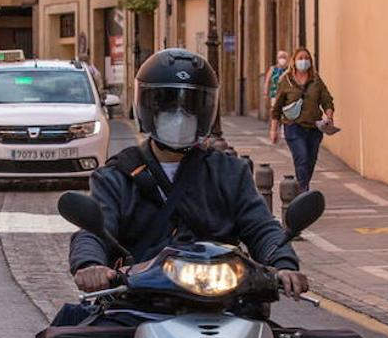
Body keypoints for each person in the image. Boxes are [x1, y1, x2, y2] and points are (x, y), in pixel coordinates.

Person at [70, 48, 309, 300]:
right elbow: (94, 231)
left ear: (205, 112)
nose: (180, 115)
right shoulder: (116, 176)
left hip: (224, 303)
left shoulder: (229, 172)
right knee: (72, 336)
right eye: (168, 105)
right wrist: (90, 265)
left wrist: (283, 264)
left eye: (191, 107)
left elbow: (260, 226)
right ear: (148, 109)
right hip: (140, 303)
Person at [270, 48, 335, 193]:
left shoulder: (316, 81)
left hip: (314, 128)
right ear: (294, 61)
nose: (303, 61)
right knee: (302, 158)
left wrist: (329, 117)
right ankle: (303, 191)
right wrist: (274, 130)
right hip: (293, 127)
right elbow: (277, 108)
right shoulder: (286, 81)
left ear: (310, 62)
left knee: (310, 162)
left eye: (306, 58)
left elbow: (327, 100)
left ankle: (302, 187)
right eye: (300, 58)